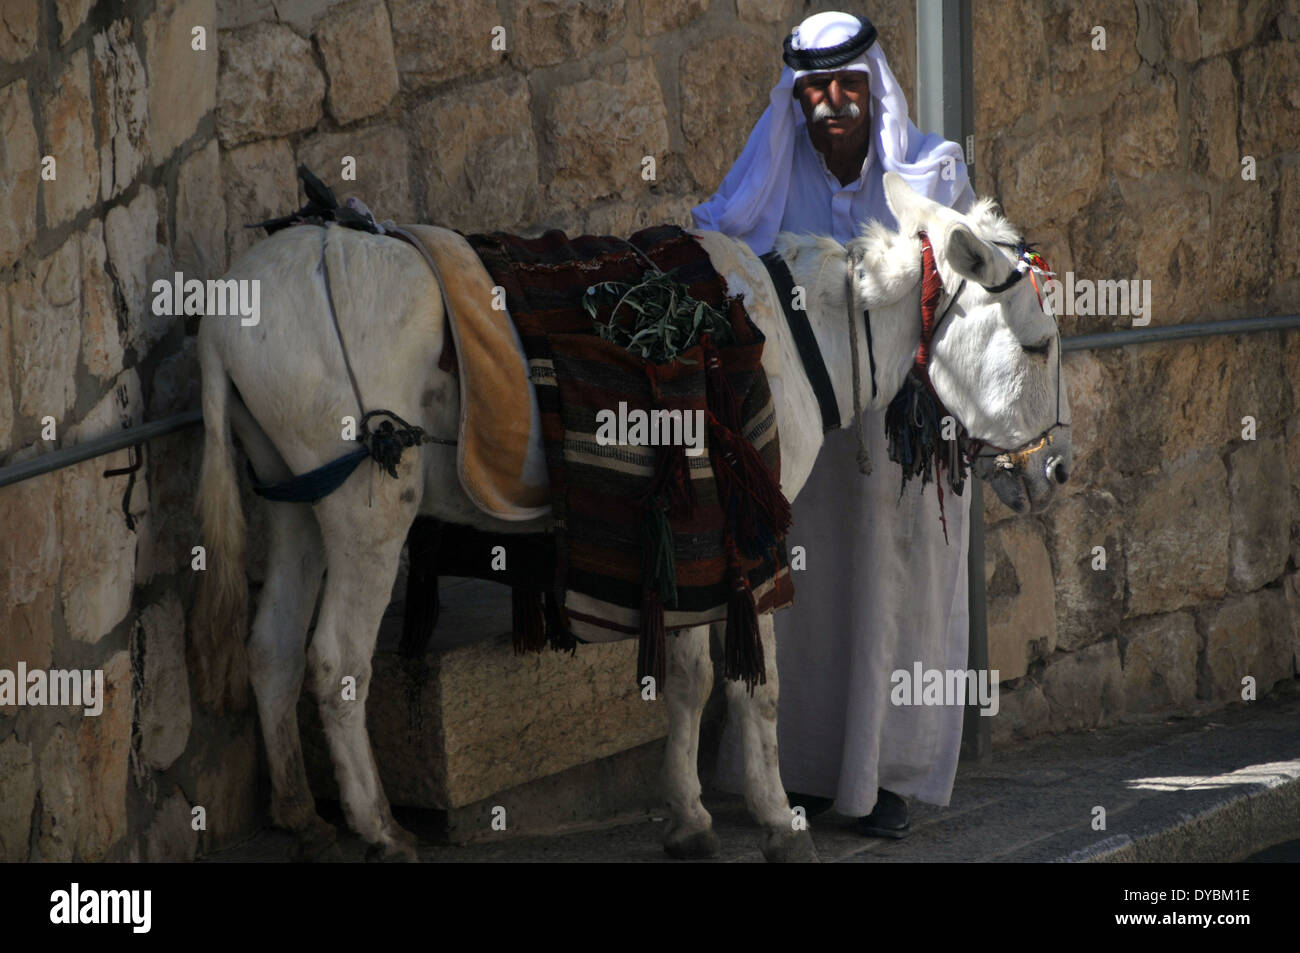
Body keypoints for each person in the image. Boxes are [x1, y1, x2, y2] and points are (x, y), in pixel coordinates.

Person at [692, 10, 975, 838]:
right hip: (806, 434)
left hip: (897, 433)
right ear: (797, 94)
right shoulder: (771, 176)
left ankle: (879, 781)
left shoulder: (932, 174)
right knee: (805, 605)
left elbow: (959, 291)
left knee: (892, 599)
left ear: (873, 86)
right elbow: (725, 241)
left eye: (849, 83)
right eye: (815, 86)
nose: (831, 100)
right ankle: (802, 776)